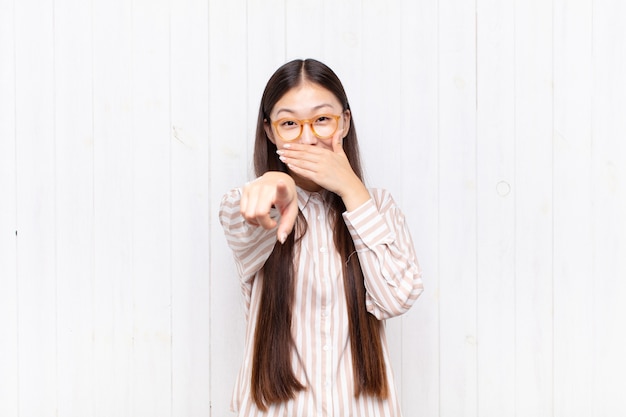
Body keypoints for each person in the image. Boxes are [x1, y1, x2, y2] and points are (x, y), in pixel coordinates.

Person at [219, 58, 423, 417]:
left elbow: (396, 297)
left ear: (344, 122)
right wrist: (274, 184)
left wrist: (350, 188)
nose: (308, 136)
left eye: (322, 120)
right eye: (289, 124)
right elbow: (242, 216)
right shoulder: (259, 204)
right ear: (270, 132)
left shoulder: (380, 207)